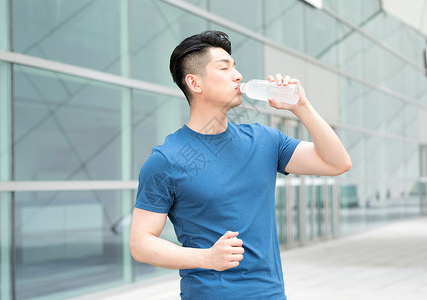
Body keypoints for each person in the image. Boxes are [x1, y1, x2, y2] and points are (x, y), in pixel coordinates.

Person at [130, 30, 351, 299]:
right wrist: (206, 258)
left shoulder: (264, 140)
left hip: (271, 294)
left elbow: (337, 163)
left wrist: (301, 107)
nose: (238, 75)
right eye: (224, 68)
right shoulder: (167, 160)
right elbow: (140, 244)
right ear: (194, 83)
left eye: (235, 66)